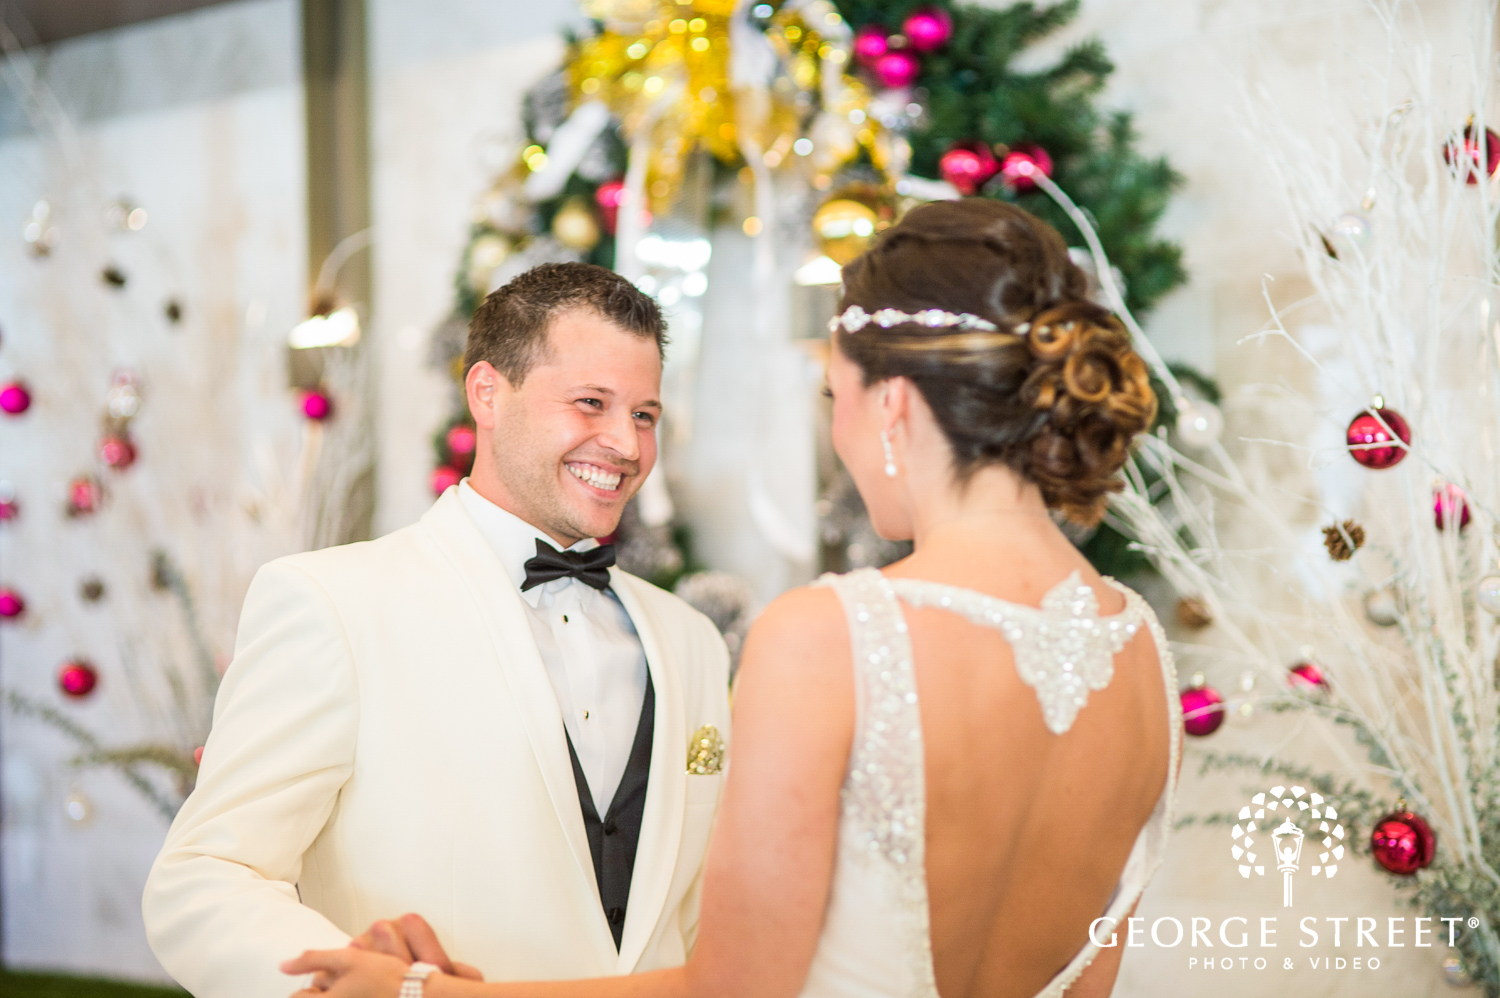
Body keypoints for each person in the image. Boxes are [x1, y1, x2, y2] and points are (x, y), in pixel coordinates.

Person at [283, 198, 1180, 998]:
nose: (837, 428)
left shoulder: (831, 635)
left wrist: (418, 995)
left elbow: (731, 990)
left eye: (836, 393)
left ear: (894, 406)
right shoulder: (1142, 654)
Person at [143, 263, 733, 998]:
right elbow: (206, 875)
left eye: (644, 415)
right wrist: (373, 987)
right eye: (591, 403)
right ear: (487, 393)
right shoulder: (334, 604)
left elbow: (704, 923)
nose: (627, 444)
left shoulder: (690, 642)